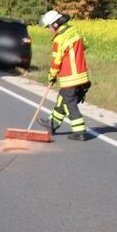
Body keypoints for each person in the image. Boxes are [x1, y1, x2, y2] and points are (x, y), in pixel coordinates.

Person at [41, 9, 91, 141]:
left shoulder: (59, 39)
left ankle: (79, 130)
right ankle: (52, 124)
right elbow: (85, 44)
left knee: (69, 102)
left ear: (55, 25)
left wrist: (52, 76)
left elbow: (56, 61)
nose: (49, 30)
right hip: (81, 74)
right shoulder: (74, 31)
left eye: (49, 27)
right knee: (62, 99)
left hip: (70, 76)